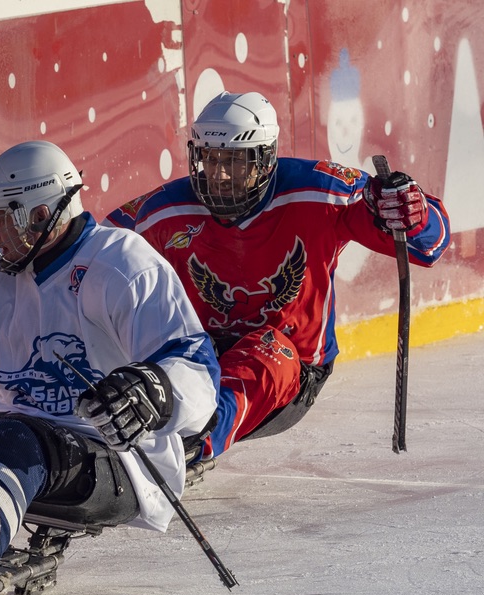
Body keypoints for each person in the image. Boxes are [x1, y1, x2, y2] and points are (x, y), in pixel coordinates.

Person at [0, 140, 220, 595]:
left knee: (10, 437)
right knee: (7, 435)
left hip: (116, 464)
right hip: (18, 447)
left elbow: (199, 370)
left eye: (4, 217)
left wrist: (153, 390)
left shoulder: (122, 263)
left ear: (43, 215)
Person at [105, 91, 450, 460]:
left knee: (270, 351)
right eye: (210, 158)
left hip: (288, 367)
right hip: (199, 356)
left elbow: (427, 246)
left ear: (265, 159)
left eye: (235, 161)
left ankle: (190, 448)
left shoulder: (321, 192)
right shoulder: (163, 210)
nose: (219, 174)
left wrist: (412, 212)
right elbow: (96, 254)